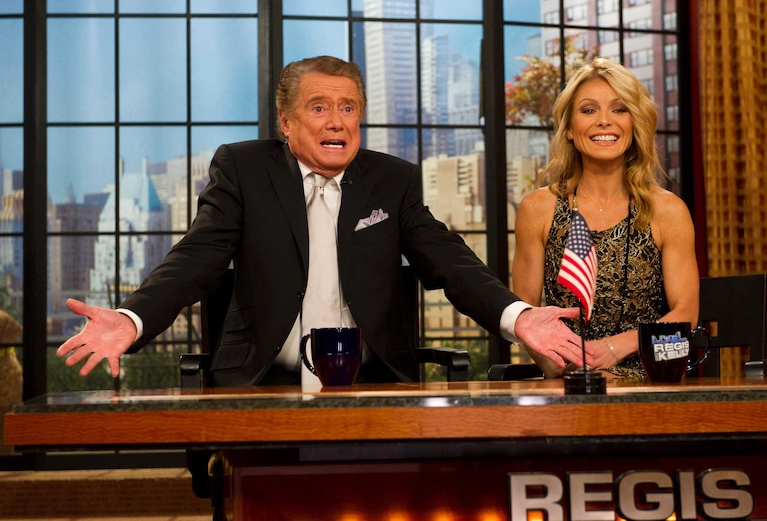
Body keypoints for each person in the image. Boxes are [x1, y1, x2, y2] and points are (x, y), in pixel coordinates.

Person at [58, 55, 593, 387]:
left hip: (374, 379)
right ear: (286, 122)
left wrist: (519, 316)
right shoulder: (244, 168)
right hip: (264, 378)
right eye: (319, 108)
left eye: (349, 107)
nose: (338, 121)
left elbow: (447, 258)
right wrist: (131, 319)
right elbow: (197, 258)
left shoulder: (392, 179)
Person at [512, 57, 699, 379]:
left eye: (619, 109)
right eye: (588, 110)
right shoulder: (537, 208)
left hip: (649, 378)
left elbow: (685, 314)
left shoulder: (668, 211)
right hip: (567, 378)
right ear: (569, 129)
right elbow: (524, 311)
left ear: (635, 123)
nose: (604, 121)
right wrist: (561, 369)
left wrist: (610, 350)